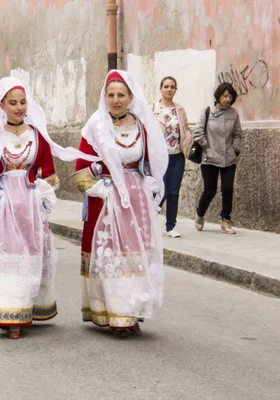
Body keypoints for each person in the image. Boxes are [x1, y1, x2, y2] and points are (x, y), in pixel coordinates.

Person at [0, 77, 98, 339]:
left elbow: (49, 172)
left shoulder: (37, 135)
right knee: (8, 258)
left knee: (28, 257)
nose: (18, 107)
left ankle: (28, 307)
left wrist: (44, 189)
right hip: (4, 207)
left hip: (29, 206)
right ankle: (9, 314)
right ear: (1, 105)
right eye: (12, 102)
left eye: (23, 102)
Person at [72, 70, 167, 334]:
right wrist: (99, 187)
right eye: (111, 95)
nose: (116, 100)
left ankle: (132, 310)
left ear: (130, 97)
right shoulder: (95, 126)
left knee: (135, 256)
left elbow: (148, 163)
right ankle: (116, 314)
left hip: (136, 199)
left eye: (121, 95)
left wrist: (150, 181)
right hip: (106, 201)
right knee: (112, 257)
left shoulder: (141, 126)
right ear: (105, 97)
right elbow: (80, 170)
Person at [193, 82, 242, 234]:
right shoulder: (207, 112)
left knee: (228, 189)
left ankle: (225, 220)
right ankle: (200, 214)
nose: (228, 99)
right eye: (225, 96)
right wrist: (208, 149)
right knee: (210, 190)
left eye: (230, 97)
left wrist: (234, 149)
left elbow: (238, 134)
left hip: (229, 158)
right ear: (218, 96)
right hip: (209, 159)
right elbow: (198, 133)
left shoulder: (233, 114)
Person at [152, 76, 192, 237]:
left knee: (173, 192)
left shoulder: (180, 109)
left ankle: (171, 227)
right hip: (160, 157)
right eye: (166, 86)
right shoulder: (153, 109)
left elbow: (186, 127)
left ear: (175, 90)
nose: (169, 89)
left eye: (172, 87)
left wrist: (188, 139)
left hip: (177, 156)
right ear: (161, 89)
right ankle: (149, 220)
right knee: (160, 190)